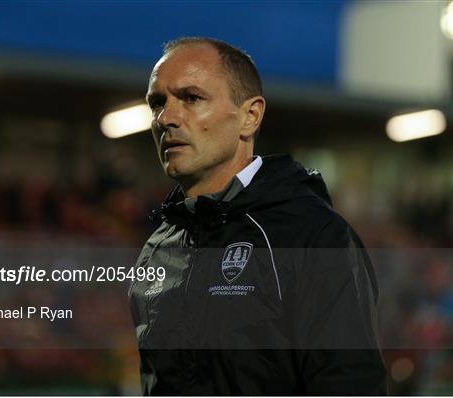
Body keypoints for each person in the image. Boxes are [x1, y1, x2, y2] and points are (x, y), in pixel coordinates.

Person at [128, 37, 386, 395]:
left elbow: (351, 385)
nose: (166, 118)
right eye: (158, 102)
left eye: (191, 98)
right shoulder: (158, 248)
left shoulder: (312, 235)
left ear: (250, 116)